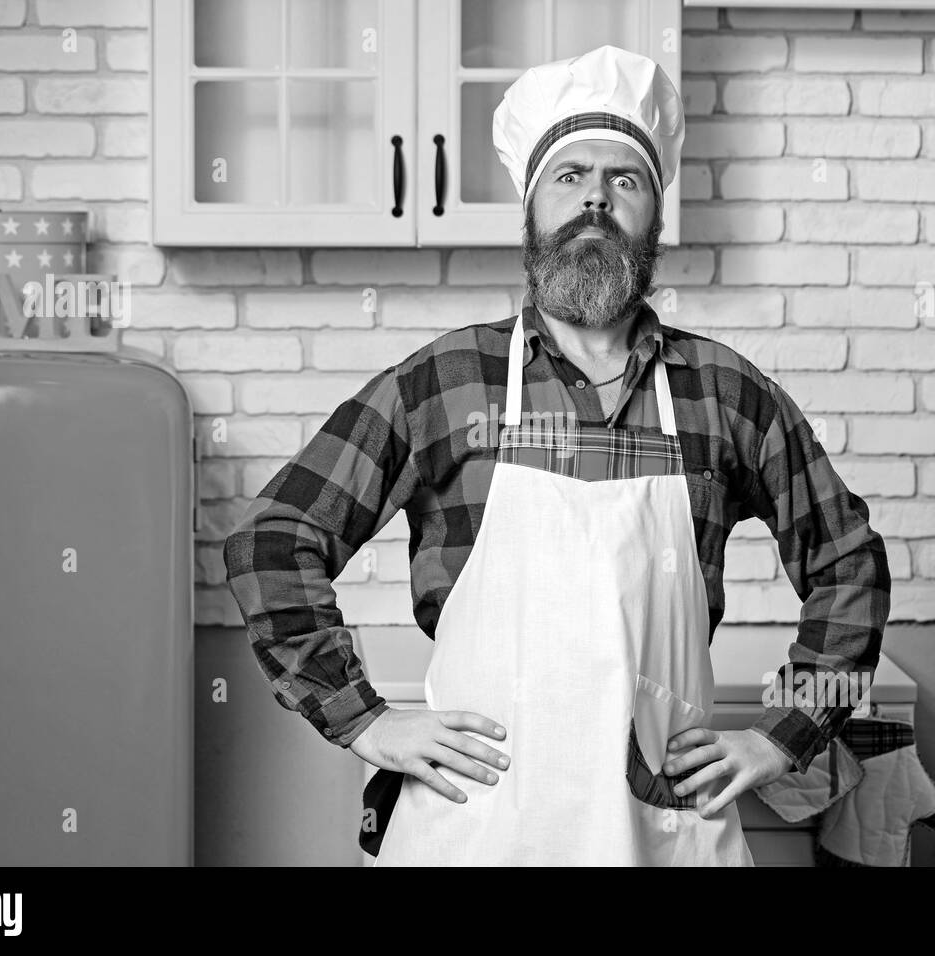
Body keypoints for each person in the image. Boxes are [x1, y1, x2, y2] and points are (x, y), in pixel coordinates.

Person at [223, 45, 891, 866]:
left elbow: (847, 560)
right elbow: (273, 536)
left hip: (662, 831)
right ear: (532, 206)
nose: (595, 203)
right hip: (476, 826)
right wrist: (363, 718)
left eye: (625, 180)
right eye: (569, 177)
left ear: (654, 214)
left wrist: (785, 737)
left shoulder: (724, 393)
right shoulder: (447, 383)